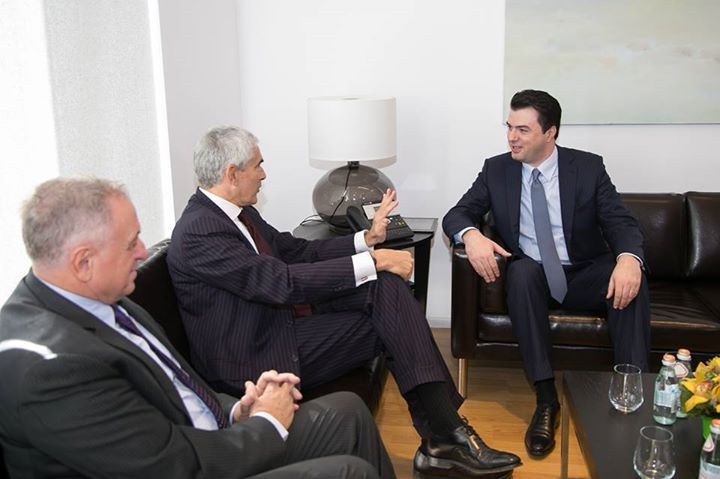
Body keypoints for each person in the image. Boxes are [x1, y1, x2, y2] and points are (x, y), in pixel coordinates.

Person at [167, 126, 522, 478]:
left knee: (388, 290)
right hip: (253, 357)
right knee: (390, 314)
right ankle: (446, 438)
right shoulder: (201, 230)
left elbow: (295, 251)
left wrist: (365, 239)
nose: (263, 174)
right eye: (258, 165)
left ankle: (445, 436)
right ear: (232, 174)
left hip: (276, 327)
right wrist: (374, 260)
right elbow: (280, 283)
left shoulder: (238, 213)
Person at [0, 177, 396, 479]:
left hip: (206, 439)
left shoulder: (103, 299)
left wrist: (239, 410)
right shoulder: (51, 369)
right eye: (130, 243)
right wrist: (268, 422)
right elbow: (171, 466)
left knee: (347, 413)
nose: (143, 252)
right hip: (188, 464)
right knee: (349, 473)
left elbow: (178, 387)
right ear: (83, 262)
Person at [443, 89, 651, 458]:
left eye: (522, 130)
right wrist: (471, 235)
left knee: (630, 280)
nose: (512, 137)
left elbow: (620, 221)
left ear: (550, 132)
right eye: (509, 127)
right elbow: (457, 214)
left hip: (583, 272)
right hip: (533, 275)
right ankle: (545, 400)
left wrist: (629, 260)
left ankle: (630, 396)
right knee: (521, 274)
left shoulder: (587, 168)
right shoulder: (496, 169)